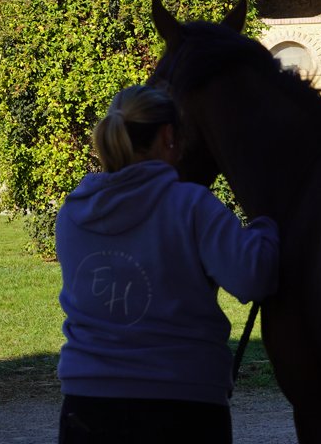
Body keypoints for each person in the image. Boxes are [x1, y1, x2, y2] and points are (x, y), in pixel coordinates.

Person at [56, 84, 280, 443]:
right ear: (168, 137)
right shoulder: (190, 205)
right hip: (181, 403)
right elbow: (252, 278)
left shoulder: (72, 211)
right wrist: (267, 223)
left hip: (85, 404)